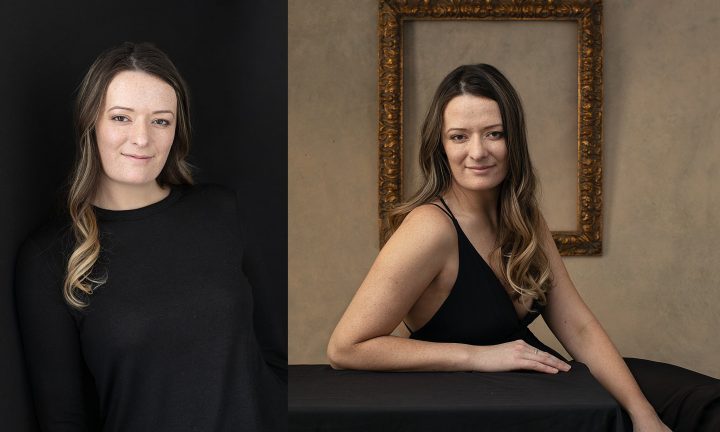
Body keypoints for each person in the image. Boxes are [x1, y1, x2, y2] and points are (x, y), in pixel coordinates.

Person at [327, 64, 719, 431]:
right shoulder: (429, 228)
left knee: (704, 402)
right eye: (459, 136)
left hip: (542, 381)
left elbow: (579, 329)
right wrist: (477, 357)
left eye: (494, 133)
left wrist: (643, 415)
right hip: (479, 401)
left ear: (513, 139)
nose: (477, 151)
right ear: (441, 147)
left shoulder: (523, 218)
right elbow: (347, 347)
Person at [14, 42, 285, 432]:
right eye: (122, 118)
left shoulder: (222, 211)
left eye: (160, 121)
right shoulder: (51, 255)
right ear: (91, 122)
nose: (142, 139)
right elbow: (63, 418)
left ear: (176, 130)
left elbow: (275, 355)